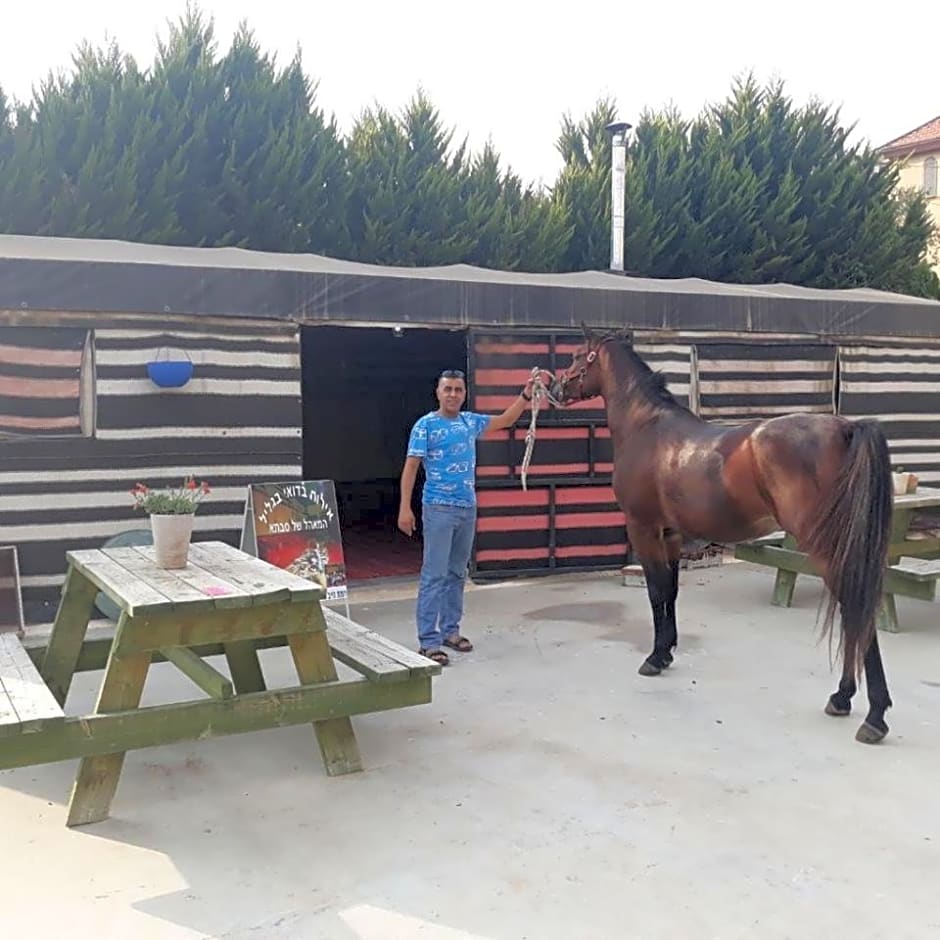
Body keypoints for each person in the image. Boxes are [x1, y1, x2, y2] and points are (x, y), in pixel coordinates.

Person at [398, 368, 534, 666]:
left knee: (457, 573)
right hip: (438, 508)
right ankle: (428, 641)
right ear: (438, 392)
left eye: (458, 390)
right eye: (447, 389)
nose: (453, 395)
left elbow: (506, 420)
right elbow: (411, 467)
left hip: (466, 508)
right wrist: (404, 508)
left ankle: (450, 631)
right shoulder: (426, 426)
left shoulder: (469, 422)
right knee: (434, 574)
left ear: (464, 393)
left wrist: (525, 396)